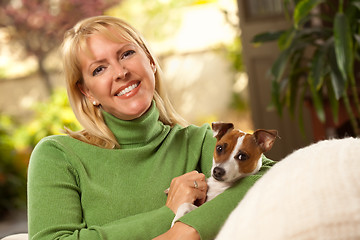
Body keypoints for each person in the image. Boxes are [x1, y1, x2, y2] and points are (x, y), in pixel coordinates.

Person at [27, 15, 275, 240]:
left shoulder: (200, 142)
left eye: (126, 54)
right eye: (99, 68)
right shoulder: (57, 155)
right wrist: (168, 215)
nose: (121, 72)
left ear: (150, 60)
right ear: (87, 91)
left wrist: (188, 229)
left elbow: (273, 177)